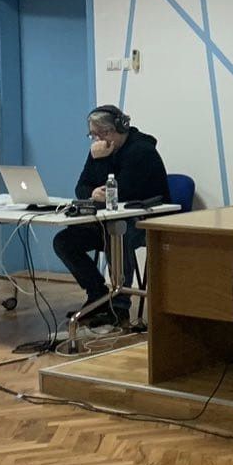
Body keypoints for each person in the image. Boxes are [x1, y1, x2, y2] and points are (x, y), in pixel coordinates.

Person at [52, 105, 168, 327]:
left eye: (102, 133)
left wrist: (101, 164)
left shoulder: (141, 151)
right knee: (64, 241)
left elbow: (122, 192)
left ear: (118, 128)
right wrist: (92, 193)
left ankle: (119, 307)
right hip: (110, 221)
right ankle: (98, 296)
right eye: (93, 135)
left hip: (146, 221)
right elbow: (81, 187)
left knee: (117, 234)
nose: (98, 140)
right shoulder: (99, 152)